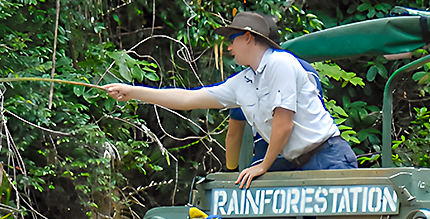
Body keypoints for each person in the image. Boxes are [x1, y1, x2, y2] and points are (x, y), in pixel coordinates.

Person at [104, 11, 356, 188]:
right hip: (295, 164)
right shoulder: (243, 81)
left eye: (232, 40)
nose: (229, 47)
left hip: (328, 157)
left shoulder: (281, 62)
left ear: (248, 37)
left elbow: (284, 123)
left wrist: (263, 165)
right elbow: (188, 99)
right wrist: (133, 92)